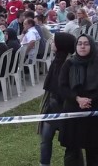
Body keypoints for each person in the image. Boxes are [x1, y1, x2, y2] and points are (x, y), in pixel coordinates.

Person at [58, 34, 98, 165]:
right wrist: (78, 99)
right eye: (79, 43)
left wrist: (89, 101)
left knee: (94, 151)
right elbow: (62, 87)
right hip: (73, 111)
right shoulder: (69, 63)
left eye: (86, 44)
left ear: (91, 45)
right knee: (72, 152)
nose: (82, 46)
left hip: (94, 114)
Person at [38, 33, 76, 166]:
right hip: (52, 106)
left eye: (54, 41)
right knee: (45, 138)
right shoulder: (56, 60)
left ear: (62, 44)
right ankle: (44, 163)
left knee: (71, 141)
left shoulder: (71, 63)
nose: (51, 43)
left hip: (66, 107)